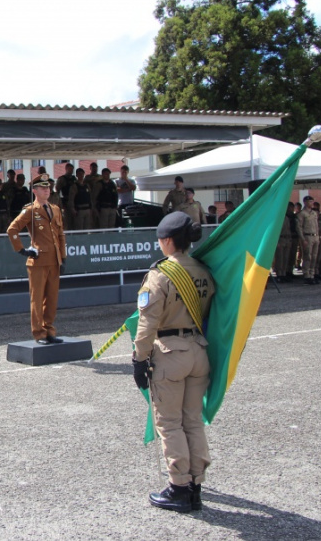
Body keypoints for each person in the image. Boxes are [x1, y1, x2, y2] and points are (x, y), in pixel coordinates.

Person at [132, 211, 214, 513]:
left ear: (167, 241)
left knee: (169, 423)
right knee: (193, 420)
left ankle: (178, 488)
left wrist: (138, 359)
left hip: (169, 354)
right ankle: (196, 486)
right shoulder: (203, 271)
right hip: (198, 351)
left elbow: (147, 323)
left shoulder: (161, 274)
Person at [6, 173, 67, 344]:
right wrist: (23, 250)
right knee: (37, 298)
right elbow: (12, 229)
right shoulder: (31, 210)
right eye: (43, 188)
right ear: (35, 190)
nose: (47, 190)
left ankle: (49, 330)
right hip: (39, 260)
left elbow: (61, 235)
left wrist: (63, 257)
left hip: (54, 260)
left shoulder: (55, 209)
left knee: (52, 298)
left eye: (48, 187)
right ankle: (39, 332)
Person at [297, 196, 320, 285]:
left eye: (312, 201)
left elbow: (316, 226)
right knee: (308, 257)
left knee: (314, 257)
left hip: (315, 237)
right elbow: (299, 227)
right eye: (310, 201)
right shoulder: (302, 213)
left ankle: (312, 274)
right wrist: (303, 239)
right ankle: (306, 275)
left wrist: (318, 236)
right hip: (307, 237)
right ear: (305, 202)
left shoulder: (314, 213)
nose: (312, 203)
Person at [274, 202, 293, 282]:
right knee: (279, 258)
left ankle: (284, 273)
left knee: (285, 258)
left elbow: (288, 229)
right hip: (280, 239)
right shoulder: (277, 218)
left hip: (287, 239)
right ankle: (279, 274)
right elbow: (275, 231)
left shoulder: (286, 218)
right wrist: (276, 241)